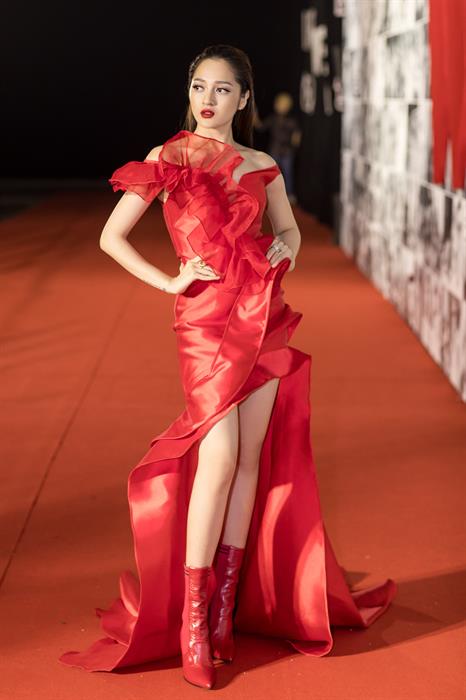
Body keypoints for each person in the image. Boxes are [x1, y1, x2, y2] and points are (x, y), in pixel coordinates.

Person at [58, 44, 397, 689]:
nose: (207, 99)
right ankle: (192, 619)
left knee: (246, 462)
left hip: (263, 315)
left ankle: (222, 610)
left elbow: (289, 231)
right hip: (205, 321)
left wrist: (284, 253)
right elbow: (110, 236)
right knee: (216, 460)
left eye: (221, 89)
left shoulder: (262, 164)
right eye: (198, 86)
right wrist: (170, 281)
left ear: (244, 99)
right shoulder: (169, 157)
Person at [253, 92, 301, 203]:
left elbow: (296, 134)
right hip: (274, 150)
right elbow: (261, 127)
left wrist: (295, 143)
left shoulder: (291, 121)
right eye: (279, 104)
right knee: (272, 173)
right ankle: (270, 194)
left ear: (288, 106)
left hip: (287, 151)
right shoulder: (273, 119)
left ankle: (289, 194)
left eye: (284, 104)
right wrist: (254, 117)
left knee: (287, 174)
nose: (281, 106)